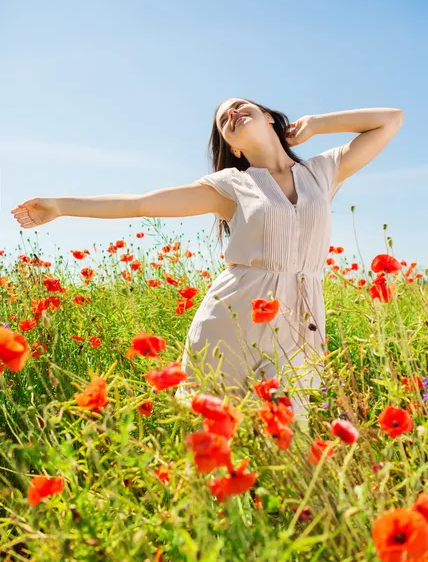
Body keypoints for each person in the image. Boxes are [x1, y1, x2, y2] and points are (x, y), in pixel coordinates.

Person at [10, 99, 404, 433]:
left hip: (301, 320)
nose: (231, 114)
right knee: (218, 434)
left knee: (291, 436)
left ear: (269, 117)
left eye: (239, 106)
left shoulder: (323, 171)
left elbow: (390, 120)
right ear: (233, 148)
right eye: (223, 122)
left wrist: (315, 126)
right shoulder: (232, 184)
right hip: (234, 318)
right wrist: (62, 206)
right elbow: (142, 203)